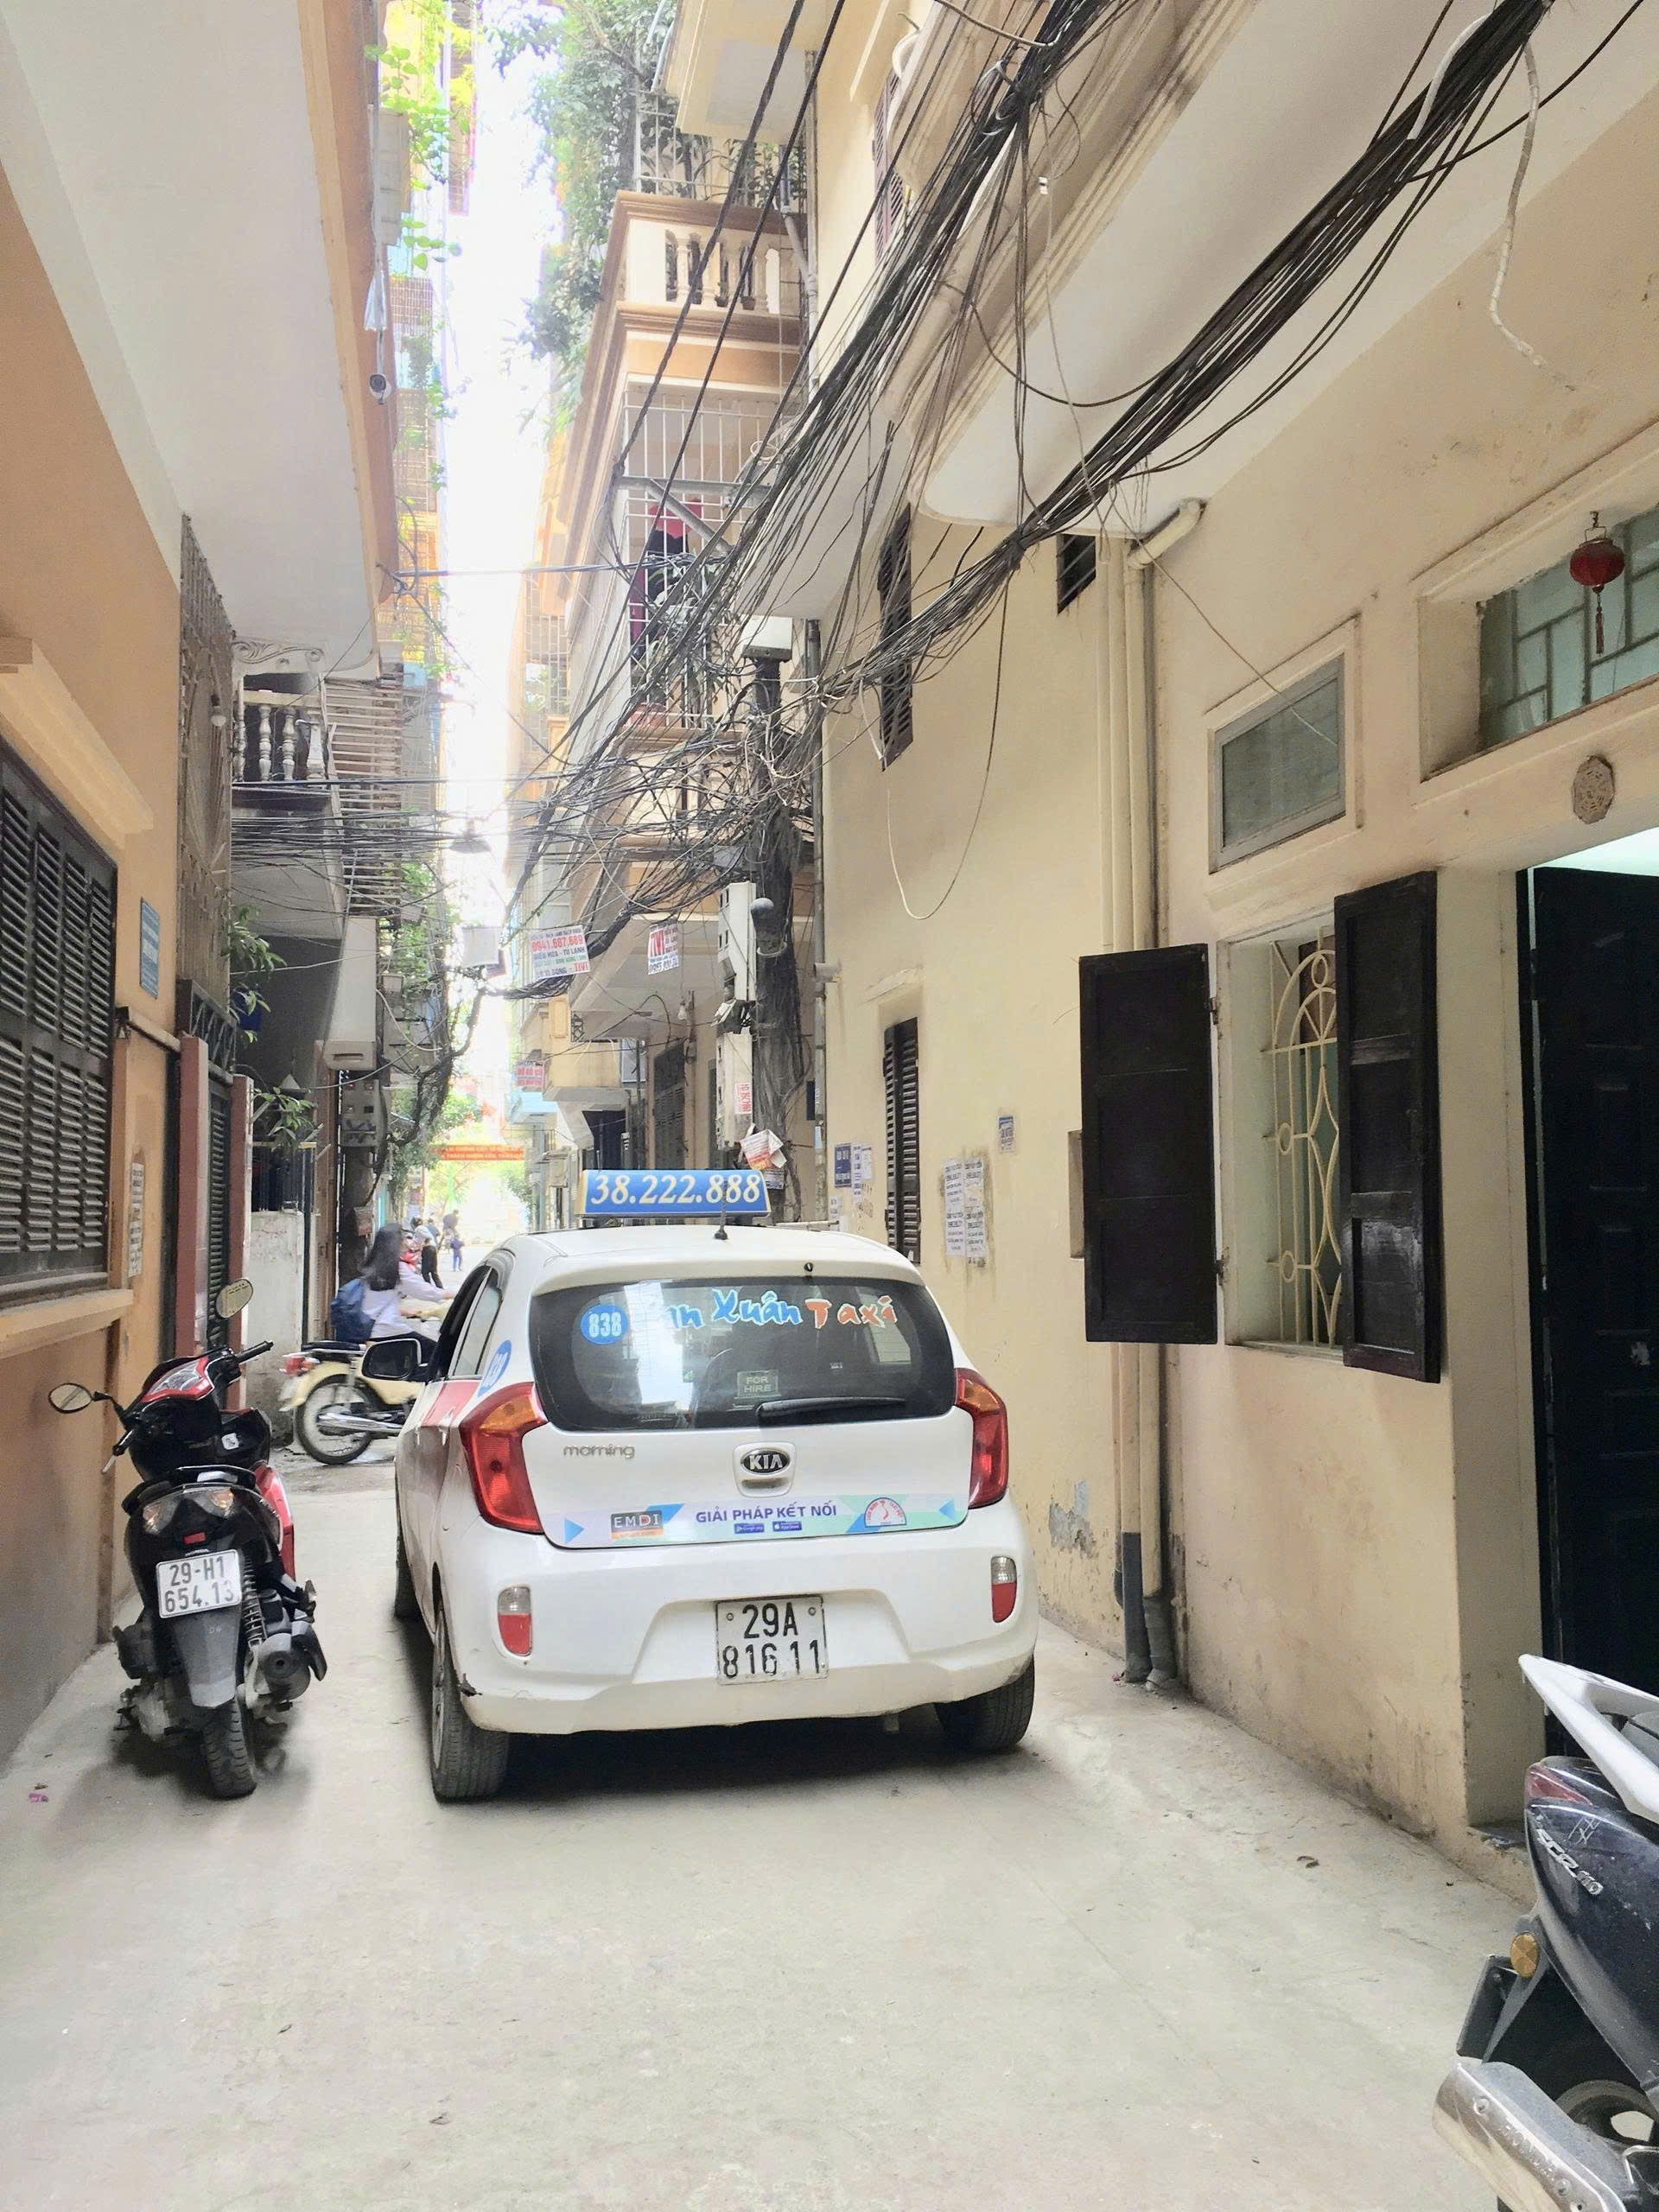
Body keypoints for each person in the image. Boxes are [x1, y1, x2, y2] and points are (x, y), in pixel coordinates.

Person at [360, 1224, 451, 1343]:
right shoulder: (397, 1268)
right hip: (388, 1331)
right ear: (396, 1242)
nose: (407, 1242)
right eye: (405, 1238)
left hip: (369, 1330)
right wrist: (457, 1293)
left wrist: (402, 1310)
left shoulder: (370, 1265)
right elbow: (425, 1291)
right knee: (437, 1351)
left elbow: (376, 1301)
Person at [442, 1205, 461, 1272]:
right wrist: (452, 1227)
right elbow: (455, 1224)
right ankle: (455, 1245)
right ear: (456, 1213)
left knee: (442, 1238)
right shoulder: (456, 1217)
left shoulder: (447, 1215)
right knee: (457, 1235)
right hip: (451, 1228)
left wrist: (446, 1224)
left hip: (445, 1228)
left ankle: (439, 1247)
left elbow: (443, 1220)